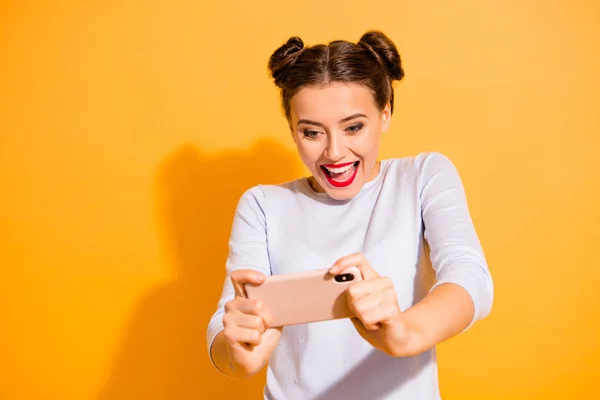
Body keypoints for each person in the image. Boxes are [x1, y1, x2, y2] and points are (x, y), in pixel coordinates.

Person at [206, 30, 494, 399]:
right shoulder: (263, 204)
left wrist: (402, 334)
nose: (335, 152)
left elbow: (470, 276)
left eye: (354, 127)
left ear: (385, 113)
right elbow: (223, 327)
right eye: (312, 133)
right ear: (293, 130)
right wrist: (239, 352)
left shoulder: (423, 177)